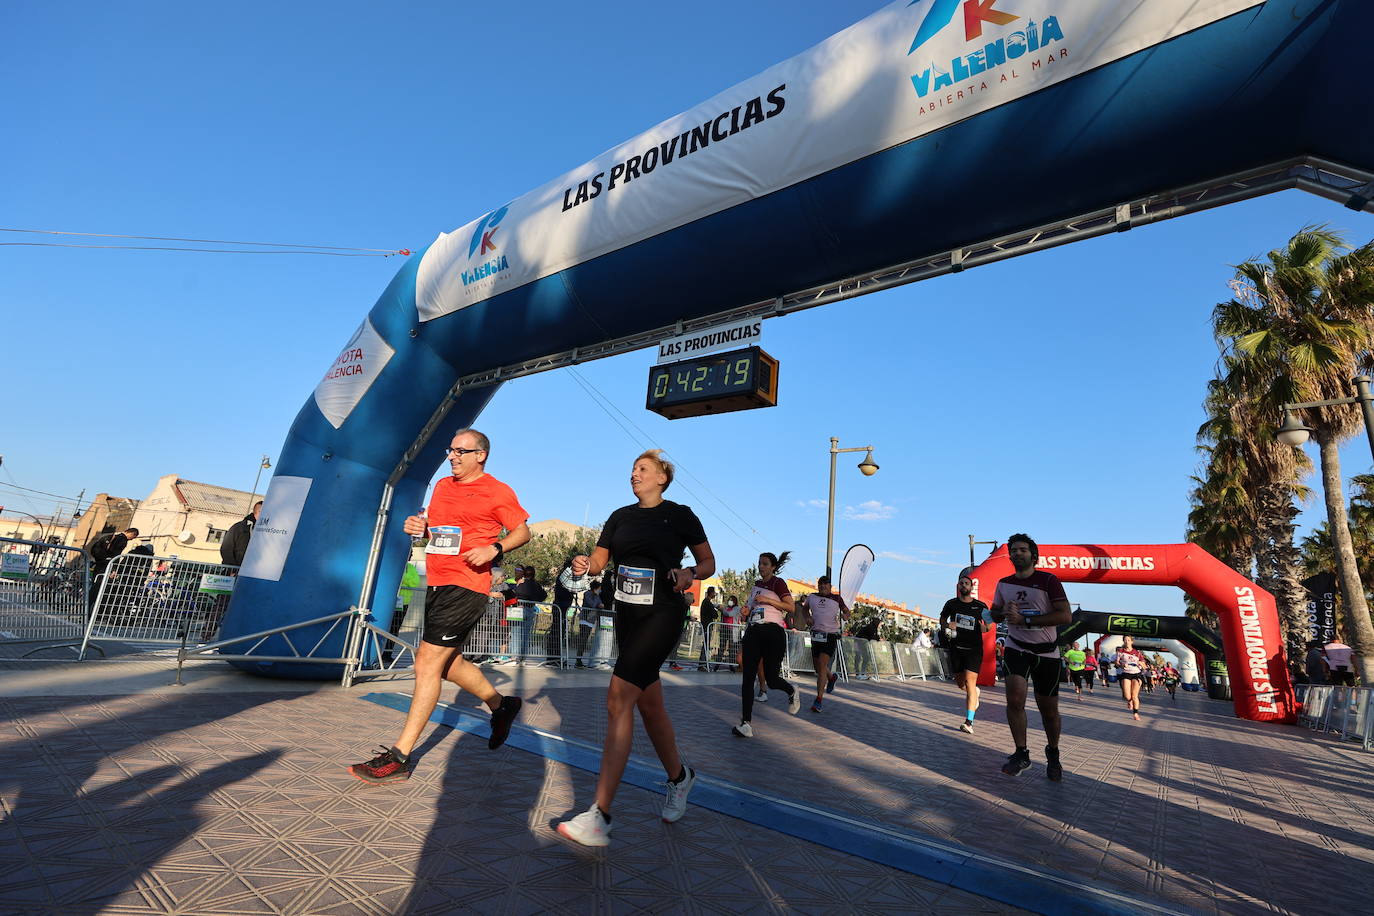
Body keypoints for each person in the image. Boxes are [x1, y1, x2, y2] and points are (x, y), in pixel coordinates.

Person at [348, 428, 530, 784]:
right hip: (438, 580)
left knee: (427, 662)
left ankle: (400, 756)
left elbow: (523, 532)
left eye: (461, 451)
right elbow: (438, 530)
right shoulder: (444, 487)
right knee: (450, 664)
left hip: (467, 585)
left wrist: (495, 549)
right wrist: (420, 526)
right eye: (451, 450)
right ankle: (501, 705)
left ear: (481, 455)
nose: (452, 456)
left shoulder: (497, 491)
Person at [556, 450, 715, 847]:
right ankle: (680, 777)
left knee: (618, 697)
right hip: (626, 616)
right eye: (632, 469)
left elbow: (708, 562)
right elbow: (599, 560)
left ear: (663, 478)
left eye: (643, 469)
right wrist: (584, 565)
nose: (634, 474)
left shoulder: (679, 515)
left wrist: (689, 573)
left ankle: (600, 814)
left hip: (662, 613)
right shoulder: (619, 517)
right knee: (649, 705)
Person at [990, 533, 1073, 781]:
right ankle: (1021, 752)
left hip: (1047, 652)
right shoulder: (1003, 583)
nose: (1017, 553)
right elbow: (993, 615)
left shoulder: (1048, 580)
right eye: (1013, 550)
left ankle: (1053, 753)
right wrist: (1000, 612)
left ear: (1033, 556)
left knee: (1048, 711)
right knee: (1014, 700)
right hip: (1016, 647)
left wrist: (1026, 619)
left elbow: (1065, 616)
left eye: (1022, 550)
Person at [733, 551, 801, 737]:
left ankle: (791, 690)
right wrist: (746, 610)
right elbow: (750, 607)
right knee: (748, 677)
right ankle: (746, 723)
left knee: (771, 679)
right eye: (759, 563)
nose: (761, 567)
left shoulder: (778, 583)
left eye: (765, 564)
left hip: (773, 631)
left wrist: (768, 600)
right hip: (754, 630)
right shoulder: (756, 586)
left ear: (773, 567)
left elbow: (790, 607)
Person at [939, 567, 989, 732]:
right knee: (961, 683)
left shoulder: (980, 606)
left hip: (974, 649)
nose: (964, 585)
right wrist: (947, 625)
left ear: (971, 587)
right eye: (961, 583)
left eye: (967, 583)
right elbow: (942, 618)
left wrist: (983, 628)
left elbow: (988, 626)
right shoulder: (951, 604)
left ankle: (969, 722)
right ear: (958, 586)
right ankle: (974, 692)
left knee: (969, 680)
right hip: (956, 648)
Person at [803, 575, 848, 712]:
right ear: (818, 586)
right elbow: (804, 609)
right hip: (816, 634)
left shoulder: (837, 598)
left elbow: (846, 611)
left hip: (830, 635)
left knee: (822, 665)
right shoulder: (812, 597)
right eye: (820, 584)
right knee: (818, 668)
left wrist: (845, 615)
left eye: (825, 584)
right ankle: (832, 677)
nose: (823, 587)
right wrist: (807, 617)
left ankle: (818, 700)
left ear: (830, 586)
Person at [512, 565, 547, 665]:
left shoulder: (521, 583)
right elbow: (543, 595)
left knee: (516, 633)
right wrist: (534, 600)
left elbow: (515, 594)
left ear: (524, 573)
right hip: (531, 609)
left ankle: (515, 656)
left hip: (520, 609)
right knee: (526, 635)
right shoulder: (536, 585)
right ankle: (523, 657)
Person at [220, 501, 261, 567]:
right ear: (255, 512)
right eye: (260, 512)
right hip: (235, 570)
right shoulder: (239, 527)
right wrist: (232, 568)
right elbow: (226, 548)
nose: (263, 514)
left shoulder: (265, 531)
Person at [1115, 635, 1147, 720]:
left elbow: (1144, 666)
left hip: (1136, 674)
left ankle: (1135, 713)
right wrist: (1121, 665)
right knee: (1127, 696)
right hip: (1126, 673)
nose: (1127, 642)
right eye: (1125, 640)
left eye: (1128, 640)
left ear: (1132, 641)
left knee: (1134, 696)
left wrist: (1141, 663)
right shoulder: (1120, 651)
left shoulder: (1137, 652)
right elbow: (1116, 663)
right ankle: (1129, 701)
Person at [698, 586, 720, 670]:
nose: (715, 594)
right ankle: (702, 664)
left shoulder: (705, 602)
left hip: (706, 625)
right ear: (711, 593)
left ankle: (702, 664)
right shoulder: (707, 603)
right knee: (706, 645)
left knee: (706, 645)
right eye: (714, 593)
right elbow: (715, 615)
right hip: (707, 626)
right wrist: (716, 609)